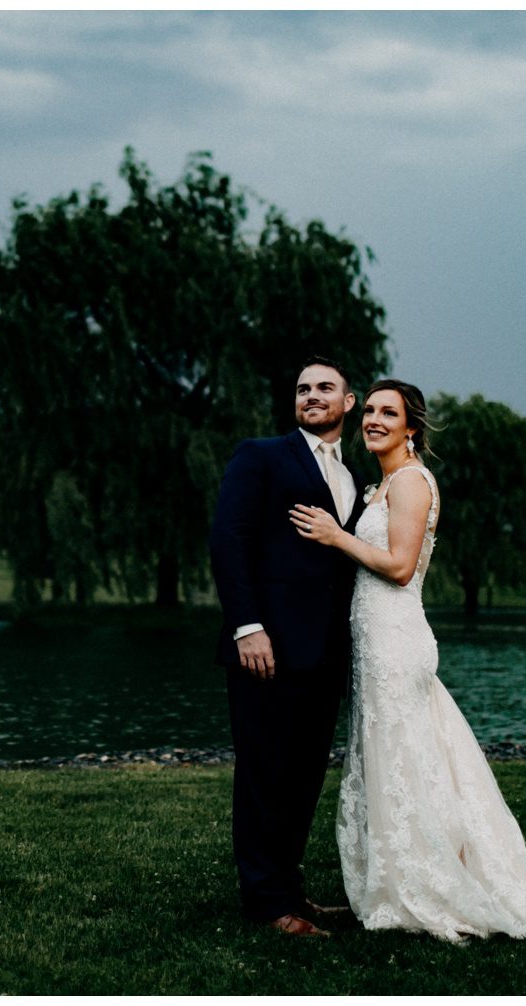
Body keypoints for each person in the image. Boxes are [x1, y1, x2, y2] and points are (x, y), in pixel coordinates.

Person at [288, 379, 526, 943]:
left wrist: (334, 537)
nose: (373, 420)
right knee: (398, 753)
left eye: (387, 413)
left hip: (397, 640)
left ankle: (427, 881)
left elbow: (400, 567)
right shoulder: (381, 486)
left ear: (411, 428)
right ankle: (401, 874)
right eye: (369, 410)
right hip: (374, 641)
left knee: (407, 753)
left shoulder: (412, 482)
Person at [208, 356, 367, 937]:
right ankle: (266, 904)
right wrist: (247, 626)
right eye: (303, 389)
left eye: (326, 387)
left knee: (302, 778)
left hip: (324, 656)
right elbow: (230, 540)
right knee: (263, 775)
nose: (312, 396)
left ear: (349, 402)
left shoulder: (352, 478)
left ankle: (292, 893)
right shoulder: (262, 456)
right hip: (266, 648)